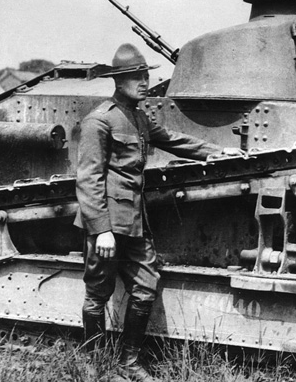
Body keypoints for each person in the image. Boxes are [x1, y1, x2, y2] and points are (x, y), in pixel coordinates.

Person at [75, 43, 241, 382]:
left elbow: (173, 139)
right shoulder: (99, 120)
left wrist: (217, 151)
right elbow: (88, 178)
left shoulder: (138, 117)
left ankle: (128, 362)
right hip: (108, 224)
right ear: (118, 81)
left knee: (146, 286)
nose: (143, 81)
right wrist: (101, 229)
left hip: (135, 221)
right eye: (135, 76)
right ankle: (92, 362)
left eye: (145, 74)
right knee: (98, 291)